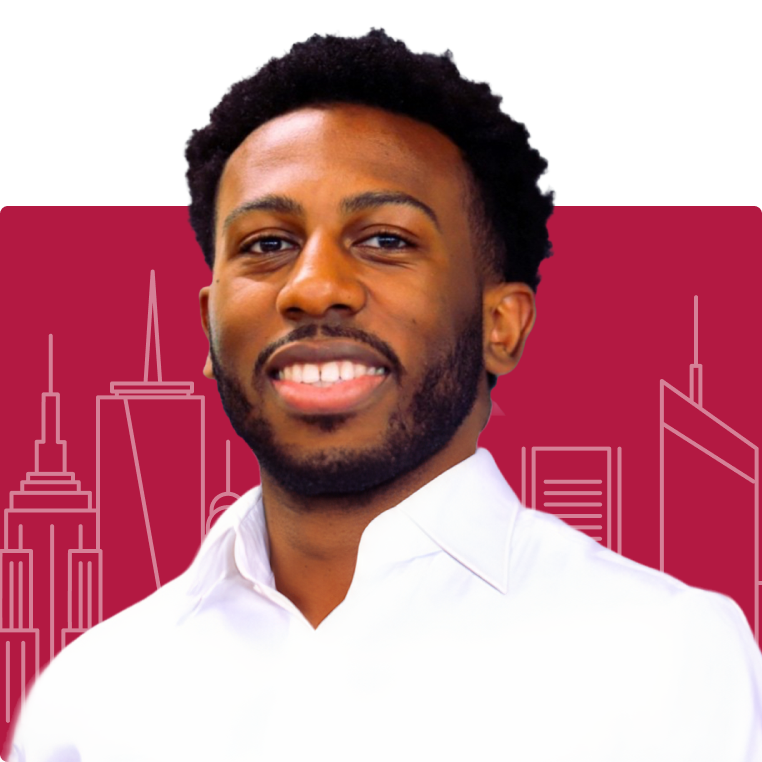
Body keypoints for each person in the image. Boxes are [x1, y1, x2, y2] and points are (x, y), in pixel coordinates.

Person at [10, 29, 762, 762]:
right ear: (209, 328)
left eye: (385, 240)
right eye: (268, 244)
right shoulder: (90, 697)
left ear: (501, 324)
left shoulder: (667, 657)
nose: (313, 288)